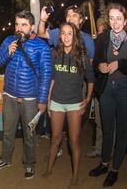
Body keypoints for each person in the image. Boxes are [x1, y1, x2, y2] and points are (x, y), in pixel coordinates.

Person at [0, 10, 52, 179]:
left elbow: (46, 74)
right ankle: (5, 158)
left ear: (32, 27)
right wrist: (7, 53)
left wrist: (42, 100)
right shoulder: (9, 41)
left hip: (30, 99)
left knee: (29, 134)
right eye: (17, 24)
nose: (19, 28)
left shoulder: (41, 45)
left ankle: (29, 164)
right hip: (10, 95)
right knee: (8, 131)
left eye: (23, 25)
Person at [39, 4, 95, 157]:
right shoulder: (59, 32)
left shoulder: (88, 40)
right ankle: (58, 144)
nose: (71, 17)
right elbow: (41, 33)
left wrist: (87, 98)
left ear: (81, 20)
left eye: (75, 15)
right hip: (60, 82)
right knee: (58, 118)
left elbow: (88, 69)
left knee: (74, 122)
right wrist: (43, 19)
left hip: (78, 84)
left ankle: (72, 142)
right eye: (68, 15)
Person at [43, 22, 94, 186]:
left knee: (74, 141)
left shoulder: (82, 56)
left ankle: (75, 176)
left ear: (75, 36)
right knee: (55, 139)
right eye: (63, 33)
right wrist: (49, 99)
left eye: (69, 33)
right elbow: (52, 78)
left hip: (75, 104)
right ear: (59, 36)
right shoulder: (54, 54)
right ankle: (49, 168)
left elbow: (91, 80)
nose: (66, 36)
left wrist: (87, 100)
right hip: (57, 102)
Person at [89, 2, 127, 187]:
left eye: (119, 18)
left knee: (122, 131)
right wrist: (100, 66)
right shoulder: (103, 38)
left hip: (124, 91)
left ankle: (115, 170)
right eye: (112, 18)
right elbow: (96, 61)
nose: (115, 22)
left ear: (125, 21)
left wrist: (120, 64)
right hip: (106, 91)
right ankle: (104, 164)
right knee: (107, 128)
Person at [86, 17, 109, 159]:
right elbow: (95, 65)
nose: (99, 27)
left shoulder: (112, 42)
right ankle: (99, 148)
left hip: (113, 90)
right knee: (99, 121)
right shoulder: (97, 42)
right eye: (99, 25)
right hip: (100, 89)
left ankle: (110, 150)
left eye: (102, 25)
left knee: (111, 122)